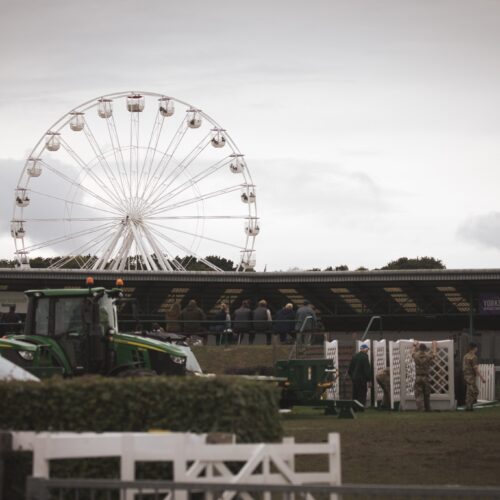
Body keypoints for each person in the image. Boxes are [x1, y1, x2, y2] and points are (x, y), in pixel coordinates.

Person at [412, 340, 437, 411]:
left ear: (419, 348)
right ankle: (428, 408)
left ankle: (421, 408)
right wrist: (434, 345)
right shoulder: (428, 356)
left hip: (418, 376)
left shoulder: (416, 356)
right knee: (427, 393)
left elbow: (412, 353)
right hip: (425, 377)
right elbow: (434, 355)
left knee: (418, 394)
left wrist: (414, 345)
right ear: (425, 349)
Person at [463, 342, 486, 411]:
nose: (477, 349)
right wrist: (482, 378)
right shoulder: (474, 357)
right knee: (475, 391)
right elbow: (476, 369)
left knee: (469, 392)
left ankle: (469, 407)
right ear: (474, 348)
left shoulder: (465, 356)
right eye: (476, 348)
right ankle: (469, 405)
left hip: (466, 375)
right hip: (471, 376)